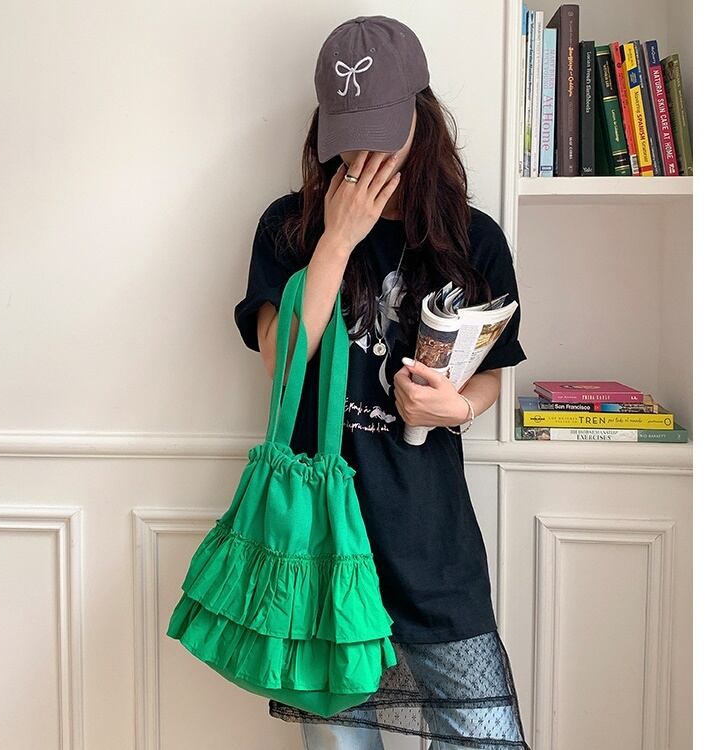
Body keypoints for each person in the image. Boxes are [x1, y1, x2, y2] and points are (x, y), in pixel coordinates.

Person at [233, 14, 531, 750]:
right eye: (349, 136)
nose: (364, 155)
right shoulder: (289, 227)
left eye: (382, 133)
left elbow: (492, 375)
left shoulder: (473, 239)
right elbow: (282, 366)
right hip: (321, 547)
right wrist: (337, 240)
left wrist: (456, 406)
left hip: (432, 540)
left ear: (421, 119)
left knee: (484, 736)